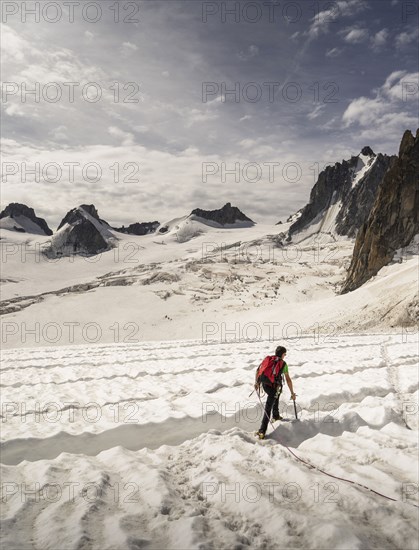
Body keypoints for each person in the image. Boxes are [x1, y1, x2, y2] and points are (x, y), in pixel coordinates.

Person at [255, 345, 296, 439]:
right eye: (285, 354)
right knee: (268, 407)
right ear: (282, 354)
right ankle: (262, 431)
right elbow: (288, 379)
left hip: (265, 385)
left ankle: (276, 415)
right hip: (274, 388)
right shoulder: (283, 364)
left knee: (277, 393)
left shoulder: (268, 359)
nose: (285, 356)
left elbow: (259, 370)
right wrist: (292, 393)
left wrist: (257, 383)